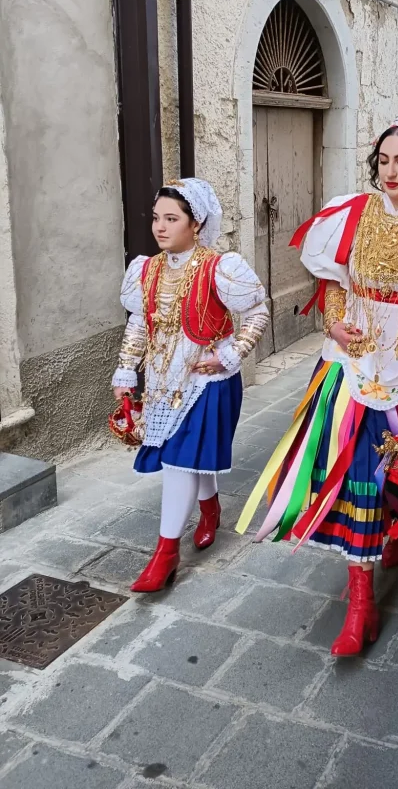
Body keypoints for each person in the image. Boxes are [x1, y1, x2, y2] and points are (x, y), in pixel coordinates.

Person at [236, 117, 398, 656]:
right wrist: (333, 323)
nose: (391, 171)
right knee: (357, 472)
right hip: (354, 365)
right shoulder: (352, 213)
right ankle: (360, 604)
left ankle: (397, 530)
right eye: (383, 161)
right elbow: (332, 282)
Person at [111, 178, 269, 593]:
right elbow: (139, 324)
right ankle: (210, 508)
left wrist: (231, 355)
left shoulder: (221, 267)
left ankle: (165, 554)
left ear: (195, 223)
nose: (160, 227)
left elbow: (258, 313)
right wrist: (125, 371)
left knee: (180, 461)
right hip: (163, 380)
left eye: (171, 219)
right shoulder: (146, 269)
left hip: (208, 379)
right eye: (156, 218)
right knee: (189, 458)